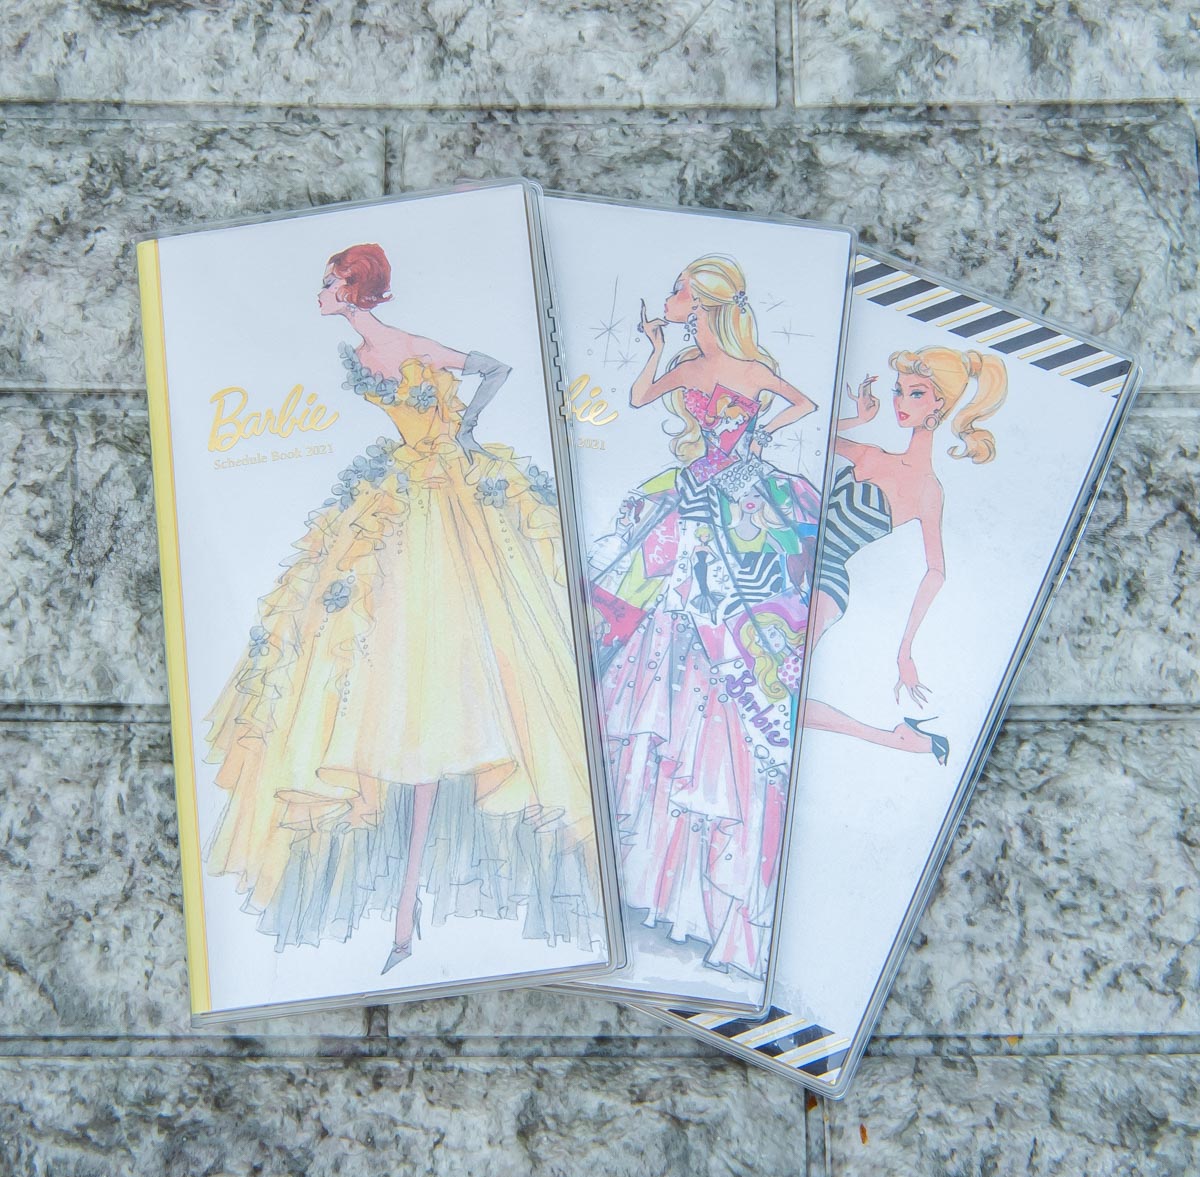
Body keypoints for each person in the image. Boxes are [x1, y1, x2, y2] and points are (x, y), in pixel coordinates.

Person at [203, 242, 603, 974]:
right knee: (372, 656)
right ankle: (400, 905)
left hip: (449, 495)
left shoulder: (407, 343)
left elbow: (495, 367)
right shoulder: (361, 353)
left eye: (329, 281)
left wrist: (467, 427)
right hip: (402, 496)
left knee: (467, 651)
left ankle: (416, 905)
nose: (320, 291)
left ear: (355, 288)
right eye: (325, 280)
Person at [589, 253, 821, 980]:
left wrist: (756, 439)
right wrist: (657, 346)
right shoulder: (694, 366)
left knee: (724, 650)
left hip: (734, 506)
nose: (671, 298)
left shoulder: (743, 369)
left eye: (680, 292)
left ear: (706, 300)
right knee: (659, 631)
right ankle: (650, 866)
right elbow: (640, 396)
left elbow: (802, 403)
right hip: (693, 499)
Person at [802, 346, 1009, 763]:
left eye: (916, 393)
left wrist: (905, 651)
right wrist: (860, 418)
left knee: (782, 689)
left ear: (939, 405)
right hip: (790, 562)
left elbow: (936, 572)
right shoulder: (870, 453)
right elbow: (808, 430)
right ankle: (901, 738)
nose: (900, 401)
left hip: (826, 580)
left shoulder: (927, 490)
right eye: (899, 391)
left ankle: (895, 740)